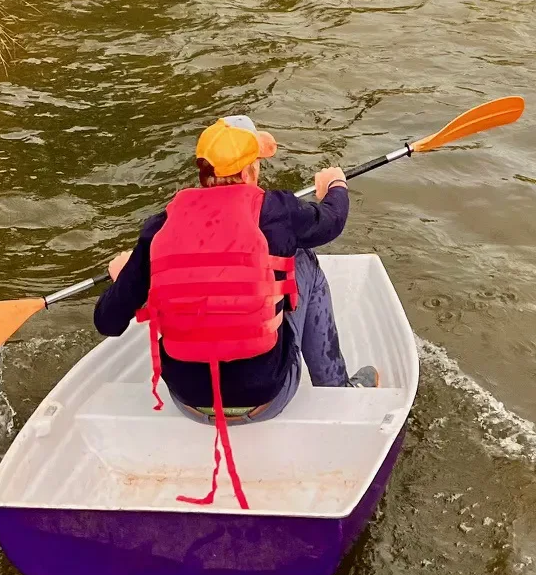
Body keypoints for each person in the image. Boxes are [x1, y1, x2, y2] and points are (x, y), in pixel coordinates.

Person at [93, 115, 378, 506]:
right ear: (249, 171)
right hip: (268, 395)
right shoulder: (276, 209)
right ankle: (339, 389)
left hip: (187, 400)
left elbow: (106, 321)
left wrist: (126, 274)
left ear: (203, 174)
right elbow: (332, 221)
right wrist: (335, 185)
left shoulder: (159, 227)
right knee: (303, 259)